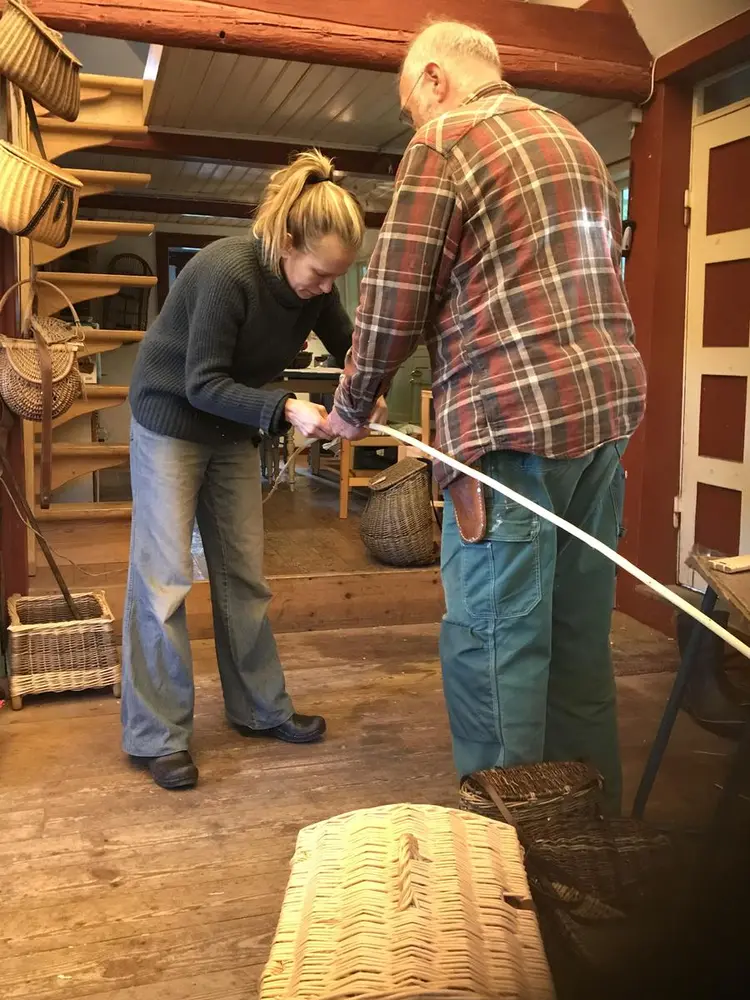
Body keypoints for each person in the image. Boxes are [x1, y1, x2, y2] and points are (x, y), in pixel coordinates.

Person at [327, 22, 647, 812]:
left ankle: (510, 855)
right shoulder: (574, 141)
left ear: (435, 78)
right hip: (603, 420)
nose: (412, 119)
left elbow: (395, 296)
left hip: (510, 430)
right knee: (578, 645)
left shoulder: (446, 141)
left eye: (409, 103)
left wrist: (350, 408)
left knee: (496, 651)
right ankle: (590, 842)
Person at [123, 150, 381, 790]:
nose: (327, 288)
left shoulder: (315, 289)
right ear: (288, 242)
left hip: (231, 427)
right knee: (164, 581)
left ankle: (260, 710)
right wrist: (286, 407)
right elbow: (202, 383)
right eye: (320, 273)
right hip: (171, 420)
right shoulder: (226, 271)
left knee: (243, 576)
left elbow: (353, 349)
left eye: (337, 277)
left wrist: (366, 394)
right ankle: (157, 735)